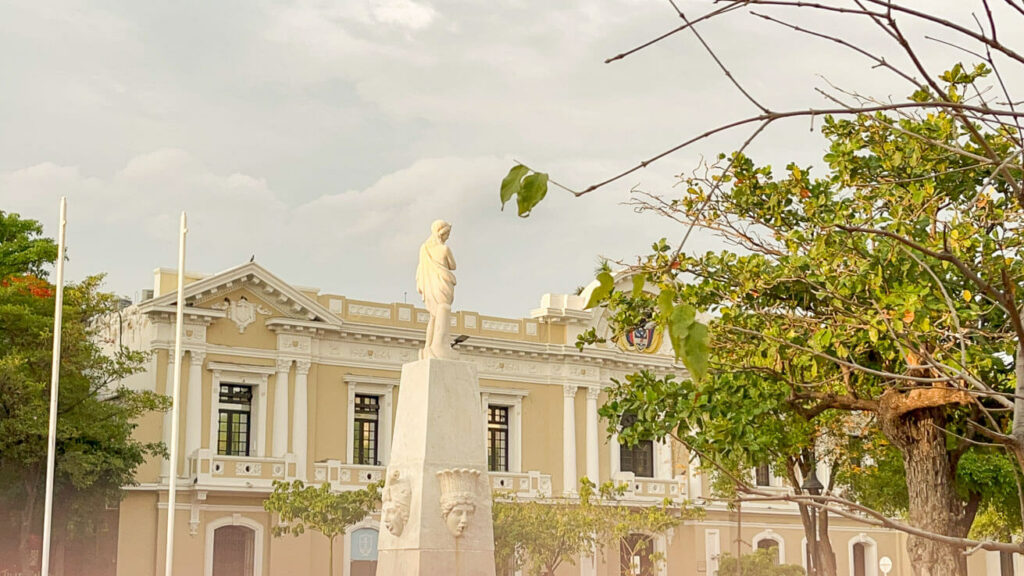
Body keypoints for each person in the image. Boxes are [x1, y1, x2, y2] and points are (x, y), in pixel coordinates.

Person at [416, 220, 457, 359]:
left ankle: (429, 345)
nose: (448, 237)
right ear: (440, 233)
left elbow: (420, 270)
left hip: (430, 285)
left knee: (434, 315)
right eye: (447, 233)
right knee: (443, 309)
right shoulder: (445, 249)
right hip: (443, 282)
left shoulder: (424, 249)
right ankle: (440, 346)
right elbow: (453, 265)